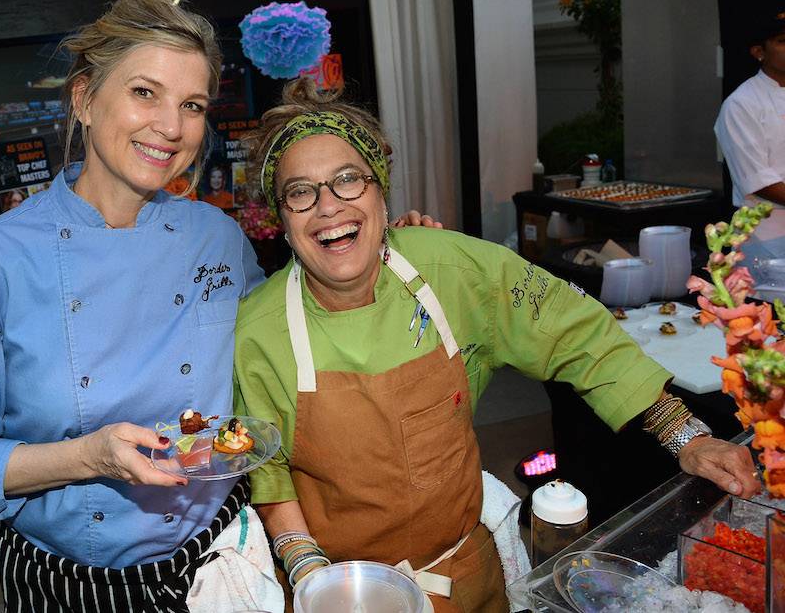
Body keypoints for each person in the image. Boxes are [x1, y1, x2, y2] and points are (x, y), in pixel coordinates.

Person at [233, 78, 762, 612]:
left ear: (381, 194)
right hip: (342, 590)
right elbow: (266, 471)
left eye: (348, 180)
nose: (327, 206)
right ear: (282, 219)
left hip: (466, 578)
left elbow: (574, 332)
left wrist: (685, 436)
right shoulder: (258, 329)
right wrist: (312, 576)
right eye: (300, 192)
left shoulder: (453, 269)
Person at [0, 0, 282, 612]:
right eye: (145, 92)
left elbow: (282, 341)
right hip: (72, 581)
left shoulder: (217, 237)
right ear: (84, 99)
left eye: (192, 105)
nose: (171, 127)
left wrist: (385, 254)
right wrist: (89, 457)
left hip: (219, 560)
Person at [715, 10, 785, 267]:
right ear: (759, 52)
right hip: (766, 237)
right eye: (783, 41)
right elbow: (758, 181)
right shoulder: (741, 104)